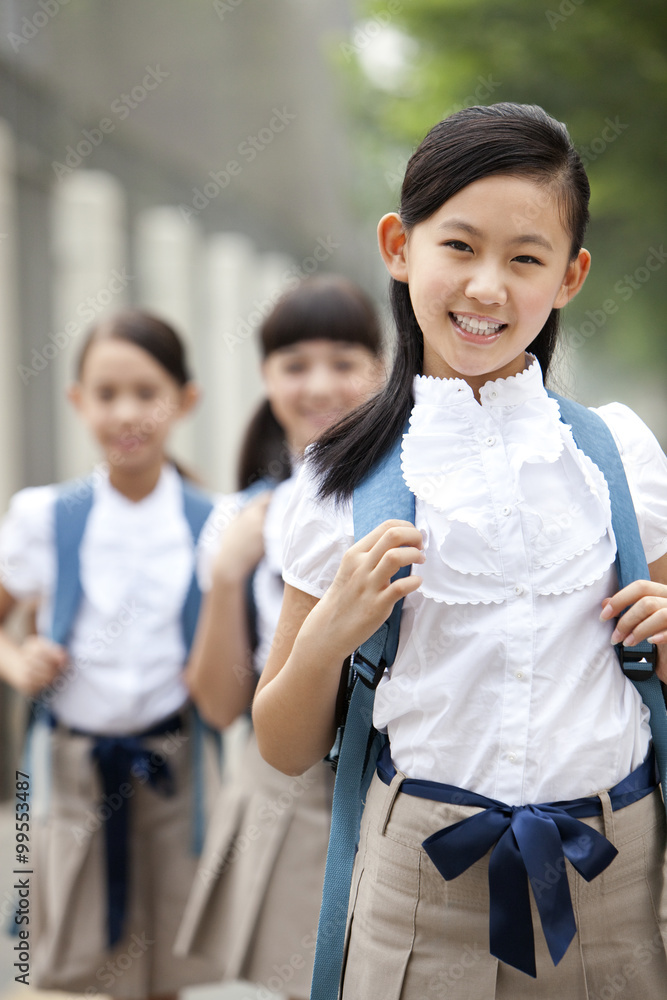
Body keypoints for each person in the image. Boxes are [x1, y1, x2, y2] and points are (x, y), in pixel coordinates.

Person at [252, 103, 667, 998]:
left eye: (525, 258)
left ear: (569, 276)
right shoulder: (339, 478)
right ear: (399, 247)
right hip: (420, 890)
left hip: (617, 875)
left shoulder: (616, 455)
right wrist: (335, 628)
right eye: (458, 247)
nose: (487, 287)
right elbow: (281, 744)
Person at [174, 275, 384, 1000]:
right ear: (265, 378)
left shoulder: (413, 491)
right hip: (290, 791)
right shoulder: (238, 520)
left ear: (383, 369)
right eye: (294, 364)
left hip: (402, 780)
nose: (319, 384)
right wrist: (230, 575)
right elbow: (217, 706)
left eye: (343, 359)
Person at [0, 310, 222, 999]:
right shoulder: (45, 515)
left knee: (166, 957)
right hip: (68, 770)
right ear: (77, 402)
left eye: (146, 392)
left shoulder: (211, 521)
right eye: (106, 394)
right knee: (69, 953)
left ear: (185, 400)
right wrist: (16, 660)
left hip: (172, 767)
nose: (127, 412)